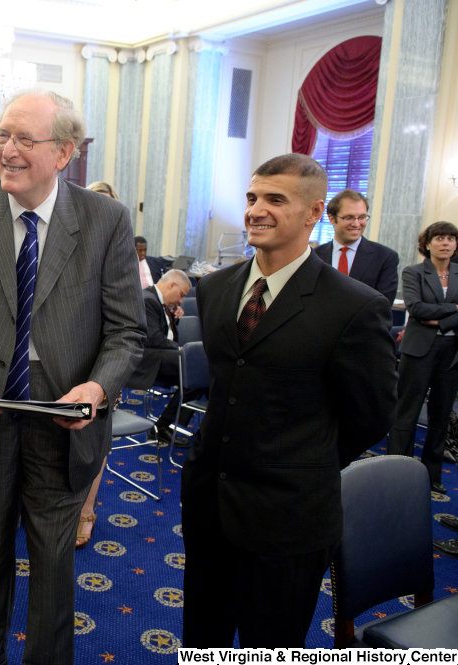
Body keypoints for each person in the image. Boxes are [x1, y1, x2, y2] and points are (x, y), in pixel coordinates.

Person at [0, 90, 144, 664]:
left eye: (25, 139)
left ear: (65, 152)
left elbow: (127, 333)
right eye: (2, 135)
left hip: (63, 426)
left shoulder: (105, 222)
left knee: (53, 573)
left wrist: (98, 389)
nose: (8, 150)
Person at [181, 153, 397, 648]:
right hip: (209, 504)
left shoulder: (355, 305)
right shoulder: (215, 289)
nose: (256, 209)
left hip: (289, 518)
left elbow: (372, 415)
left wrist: (305, 459)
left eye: (275, 200)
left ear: (313, 212)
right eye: (253, 197)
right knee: (202, 640)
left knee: (269, 647)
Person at [386, 221, 458, 496]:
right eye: (439, 238)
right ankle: (396, 469)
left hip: (452, 353)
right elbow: (416, 308)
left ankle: (432, 474)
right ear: (427, 244)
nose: (446, 243)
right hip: (419, 351)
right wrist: (454, 310)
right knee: (407, 412)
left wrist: (438, 320)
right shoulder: (414, 272)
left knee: (441, 416)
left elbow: (428, 313)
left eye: (451, 238)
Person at [75, 180, 122, 549]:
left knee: (94, 443)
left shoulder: (117, 248)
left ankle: (86, 510)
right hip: (67, 361)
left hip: (105, 364)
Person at [129, 270, 205, 444]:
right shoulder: (148, 300)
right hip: (147, 360)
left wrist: (173, 315)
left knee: (200, 374)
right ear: (172, 285)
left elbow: (165, 333)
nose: (180, 301)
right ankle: (163, 427)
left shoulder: (158, 301)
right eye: (181, 295)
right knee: (197, 369)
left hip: (161, 355)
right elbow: (153, 338)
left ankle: (166, 426)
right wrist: (180, 348)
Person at [315, 189, 399, 303]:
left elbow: (383, 305)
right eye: (349, 217)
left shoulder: (385, 257)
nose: (356, 224)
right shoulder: (314, 255)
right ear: (332, 219)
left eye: (362, 217)